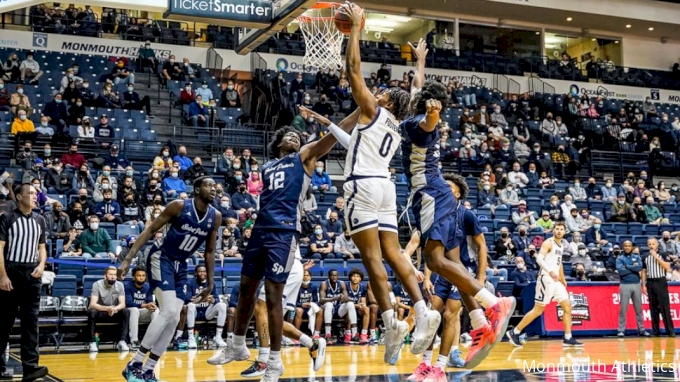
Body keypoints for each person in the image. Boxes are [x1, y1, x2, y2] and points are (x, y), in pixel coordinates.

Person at [313, 5, 440, 367]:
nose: (379, 92)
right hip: (387, 187)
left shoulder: (372, 110)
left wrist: (354, 29)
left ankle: (390, 322)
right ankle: (421, 308)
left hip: (363, 186)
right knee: (395, 252)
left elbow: (353, 69)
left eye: (383, 93)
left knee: (371, 258)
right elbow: (415, 93)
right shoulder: (399, 124)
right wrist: (419, 63)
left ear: (385, 102)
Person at [398, 32, 514, 370]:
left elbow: (428, 119)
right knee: (451, 264)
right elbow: (418, 88)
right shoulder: (414, 111)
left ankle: (494, 305)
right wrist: (419, 60)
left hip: (432, 193)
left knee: (434, 261)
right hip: (437, 193)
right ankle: (480, 322)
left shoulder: (418, 124)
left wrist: (434, 113)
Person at [206, 122, 339, 382]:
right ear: (278, 142)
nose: (293, 136)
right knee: (246, 290)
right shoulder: (266, 168)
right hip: (261, 229)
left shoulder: (303, 158)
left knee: (270, 301)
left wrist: (357, 112)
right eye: (287, 133)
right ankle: (238, 345)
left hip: (285, 232)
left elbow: (331, 138)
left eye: (298, 136)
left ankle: (273, 361)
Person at [119, 177, 221, 382]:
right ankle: (134, 363)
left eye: (215, 186)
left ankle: (149, 368)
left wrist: (211, 284)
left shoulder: (215, 216)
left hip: (182, 264)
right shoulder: (179, 206)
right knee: (168, 311)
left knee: (174, 318)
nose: (214, 189)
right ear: (197, 189)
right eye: (208, 185)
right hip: (161, 257)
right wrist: (128, 259)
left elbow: (210, 251)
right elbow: (149, 230)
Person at [237, 253, 326, 378]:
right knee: (272, 321)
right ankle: (312, 344)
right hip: (285, 265)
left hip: (284, 265)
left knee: (260, 307)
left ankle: (264, 361)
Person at [0, 184, 49, 382]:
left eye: (35, 194)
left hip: (32, 275)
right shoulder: (7, 218)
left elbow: (42, 248)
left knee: (31, 324)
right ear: (19, 197)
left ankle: (30, 368)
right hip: (11, 272)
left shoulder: (40, 220)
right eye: (30, 193)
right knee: (4, 323)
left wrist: (42, 264)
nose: (35, 196)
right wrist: (2, 275)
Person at [506, 222, 583, 347]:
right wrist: (551, 271)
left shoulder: (561, 245)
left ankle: (568, 337)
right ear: (553, 230)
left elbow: (559, 263)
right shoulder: (548, 242)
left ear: (564, 232)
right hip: (546, 278)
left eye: (561, 229)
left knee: (567, 306)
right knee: (538, 310)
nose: (559, 231)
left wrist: (563, 279)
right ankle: (515, 331)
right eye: (557, 229)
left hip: (556, 280)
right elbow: (539, 259)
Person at [87, 266, 130, 352]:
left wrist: (115, 309)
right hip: (100, 311)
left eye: (114, 275)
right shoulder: (97, 284)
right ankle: (92, 342)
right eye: (110, 274)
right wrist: (107, 308)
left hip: (113, 312)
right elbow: (92, 304)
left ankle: (122, 341)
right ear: (105, 276)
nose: (113, 276)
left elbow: (122, 304)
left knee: (126, 311)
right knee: (92, 312)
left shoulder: (120, 285)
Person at [185, 265, 228, 349]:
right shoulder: (190, 282)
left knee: (222, 305)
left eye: (204, 271)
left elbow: (217, 299)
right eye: (200, 271)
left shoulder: (211, 283)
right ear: (196, 273)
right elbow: (187, 299)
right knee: (190, 305)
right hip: (195, 312)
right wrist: (203, 299)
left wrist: (213, 300)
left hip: (208, 312)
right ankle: (191, 337)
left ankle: (218, 337)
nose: (202, 273)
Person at [615, 240, 649, 338]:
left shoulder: (637, 257)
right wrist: (632, 267)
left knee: (639, 309)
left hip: (636, 284)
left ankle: (641, 329)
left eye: (629, 246)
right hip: (625, 285)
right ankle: (621, 330)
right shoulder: (619, 258)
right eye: (625, 245)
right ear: (623, 247)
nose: (627, 247)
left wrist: (627, 266)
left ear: (632, 247)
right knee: (623, 309)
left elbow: (639, 268)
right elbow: (621, 272)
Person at [642, 237, 675, 337]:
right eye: (649, 244)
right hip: (650, 282)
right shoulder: (645, 256)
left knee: (664, 307)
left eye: (653, 244)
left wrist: (656, 257)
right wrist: (643, 285)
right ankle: (656, 331)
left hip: (661, 281)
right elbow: (644, 271)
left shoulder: (663, 254)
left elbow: (667, 267)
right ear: (647, 245)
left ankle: (670, 331)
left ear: (657, 245)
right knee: (653, 308)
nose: (651, 246)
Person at [125, 266, 158, 350]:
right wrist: (144, 305)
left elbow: (149, 300)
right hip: (130, 312)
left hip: (142, 312)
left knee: (156, 310)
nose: (141, 277)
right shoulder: (127, 286)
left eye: (143, 275)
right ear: (134, 277)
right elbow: (128, 303)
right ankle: (134, 341)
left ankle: (153, 340)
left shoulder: (148, 286)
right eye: (139, 275)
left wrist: (151, 305)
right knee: (134, 310)